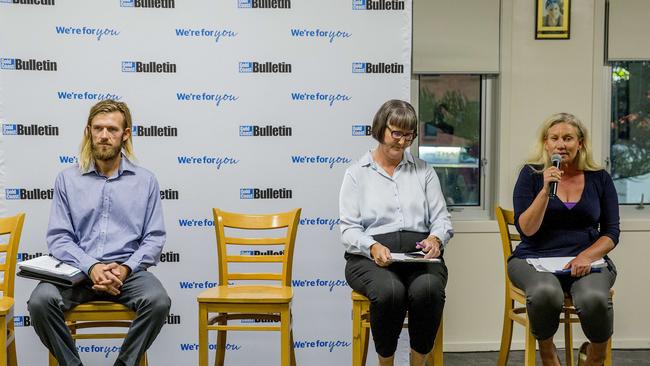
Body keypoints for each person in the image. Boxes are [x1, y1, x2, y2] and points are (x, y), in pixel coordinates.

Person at [28, 99, 171, 366]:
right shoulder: (67, 179)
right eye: (98, 128)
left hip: (126, 274)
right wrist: (91, 265)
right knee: (40, 301)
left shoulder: (146, 181)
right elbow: (59, 237)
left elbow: (154, 239)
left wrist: (125, 269)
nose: (104, 136)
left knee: (158, 301)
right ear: (88, 131)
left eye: (112, 129)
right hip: (76, 273)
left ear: (125, 134)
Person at [339, 99, 453, 366]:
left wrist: (436, 238)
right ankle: (386, 363)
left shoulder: (424, 171)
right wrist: (372, 247)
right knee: (390, 292)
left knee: (428, 290)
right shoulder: (357, 174)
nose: (401, 142)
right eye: (396, 133)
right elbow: (348, 229)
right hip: (370, 259)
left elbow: (441, 218)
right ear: (381, 129)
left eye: (408, 135)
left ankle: (417, 362)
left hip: (418, 256)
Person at [509, 113, 619, 366]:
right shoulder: (530, 175)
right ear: (546, 144)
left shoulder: (600, 178)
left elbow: (611, 232)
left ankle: (594, 357)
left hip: (585, 260)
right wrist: (545, 191)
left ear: (580, 143)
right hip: (534, 259)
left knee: (595, 299)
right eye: (555, 138)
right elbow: (526, 230)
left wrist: (586, 256)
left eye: (568, 138)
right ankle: (548, 355)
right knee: (545, 292)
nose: (561, 144)